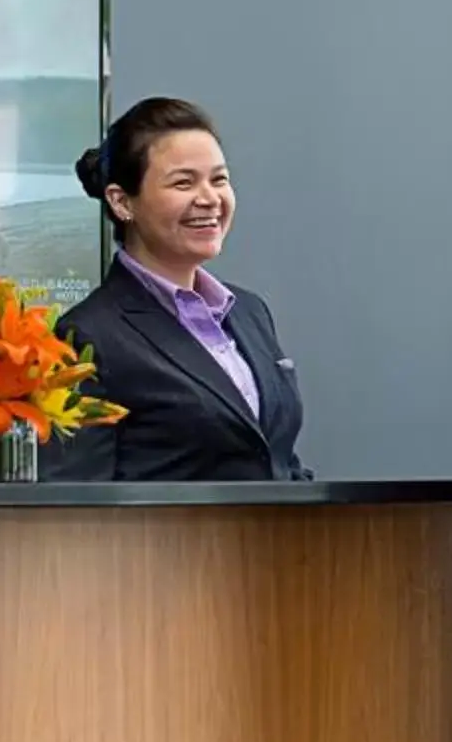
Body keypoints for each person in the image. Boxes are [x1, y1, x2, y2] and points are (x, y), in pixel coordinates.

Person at [45, 98, 310, 483]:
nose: (209, 199)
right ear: (121, 202)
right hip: (164, 543)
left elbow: (279, 462)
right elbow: (78, 504)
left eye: (219, 179)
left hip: (276, 540)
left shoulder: (249, 312)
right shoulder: (86, 335)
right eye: (184, 182)